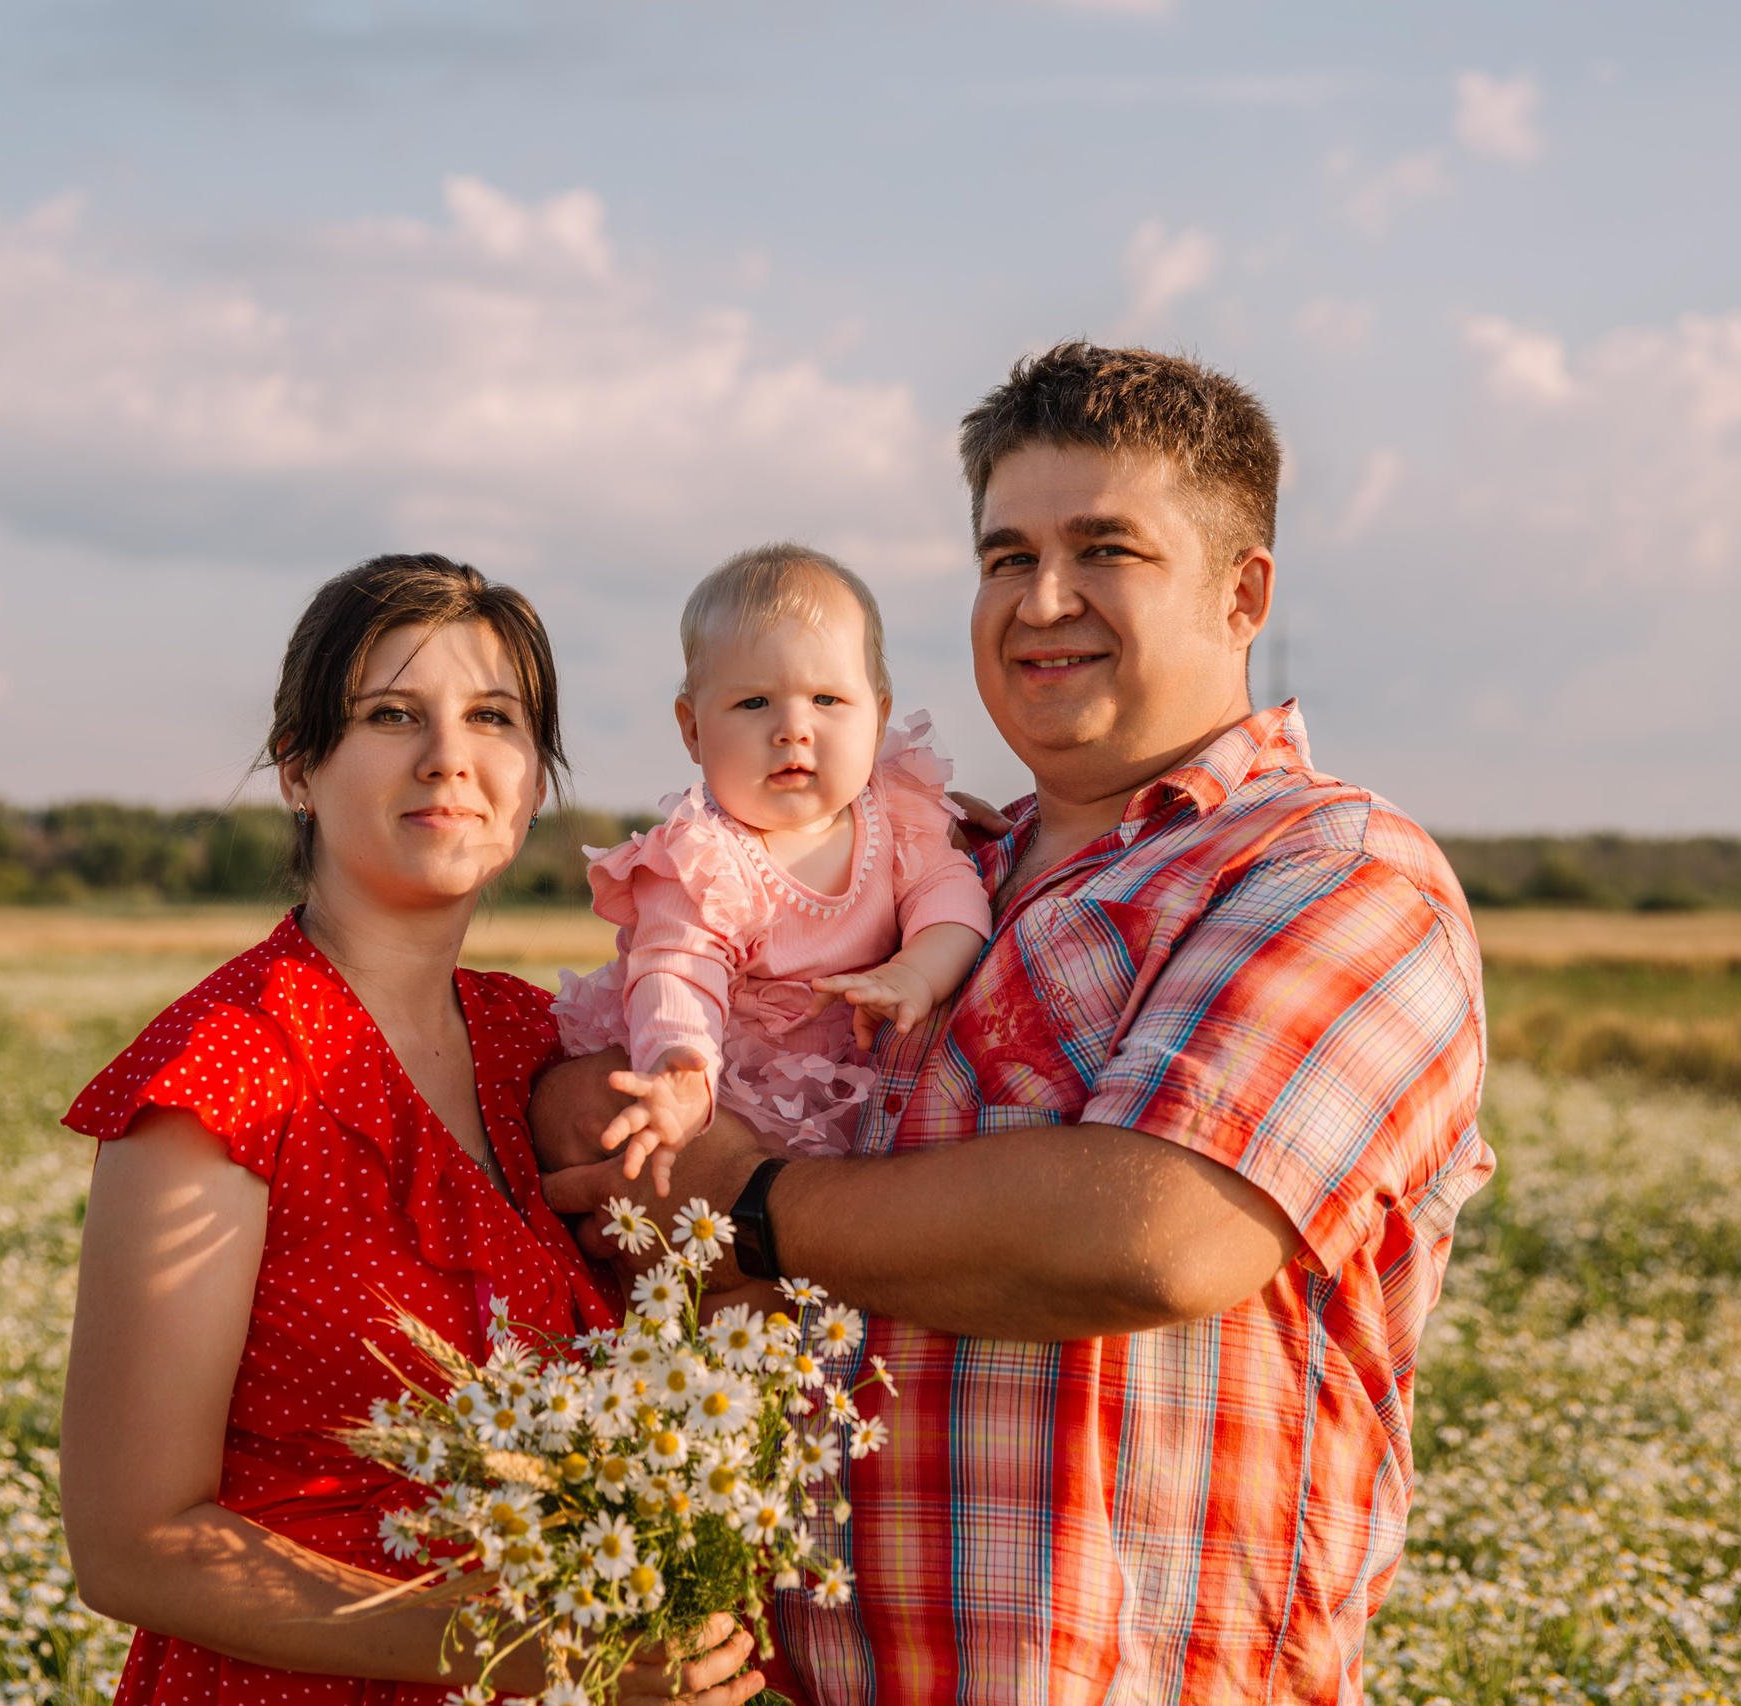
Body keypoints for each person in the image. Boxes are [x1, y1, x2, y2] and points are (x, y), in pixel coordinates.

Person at [539, 345, 1494, 1704]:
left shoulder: (1330, 873)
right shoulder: (923, 875)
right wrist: (597, 1106)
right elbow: (623, 1104)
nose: (1042, 601)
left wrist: (742, 1203)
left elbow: (1153, 1234)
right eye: (1004, 557)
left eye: (1106, 548)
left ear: (1244, 593)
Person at [58, 554, 762, 1705]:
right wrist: (536, 1642)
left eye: (493, 716)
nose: (449, 754)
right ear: (298, 769)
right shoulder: (225, 1075)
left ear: (533, 779)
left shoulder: (541, 1038)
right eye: (391, 714)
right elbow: (132, 1540)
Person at [552, 544, 992, 1189]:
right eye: (754, 703)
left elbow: (951, 896)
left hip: (860, 1080)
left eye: (827, 699)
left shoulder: (897, 812)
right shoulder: (702, 858)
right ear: (693, 729)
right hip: (735, 1088)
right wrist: (681, 1068)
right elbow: (678, 970)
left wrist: (916, 972)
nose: (793, 728)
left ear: (879, 717)